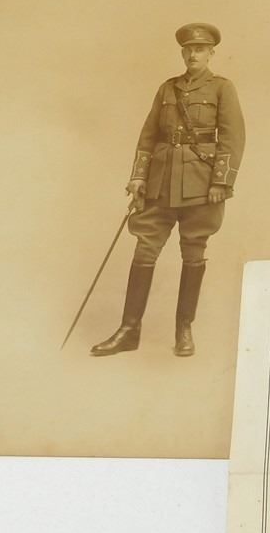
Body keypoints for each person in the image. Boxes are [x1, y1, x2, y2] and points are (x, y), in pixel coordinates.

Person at [91, 23, 245, 358]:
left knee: (193, 251)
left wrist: (221, 182)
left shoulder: (222, 88)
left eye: (200, 49)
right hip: (160, 182)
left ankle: (183, 329)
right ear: (182, 53)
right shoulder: (167, 88)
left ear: (211, 53)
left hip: (201, 185)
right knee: (145, 249)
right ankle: (128, 331)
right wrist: (138, 177)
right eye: (188, 49)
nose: (193, 55)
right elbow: (148, 135)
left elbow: (233, 137)